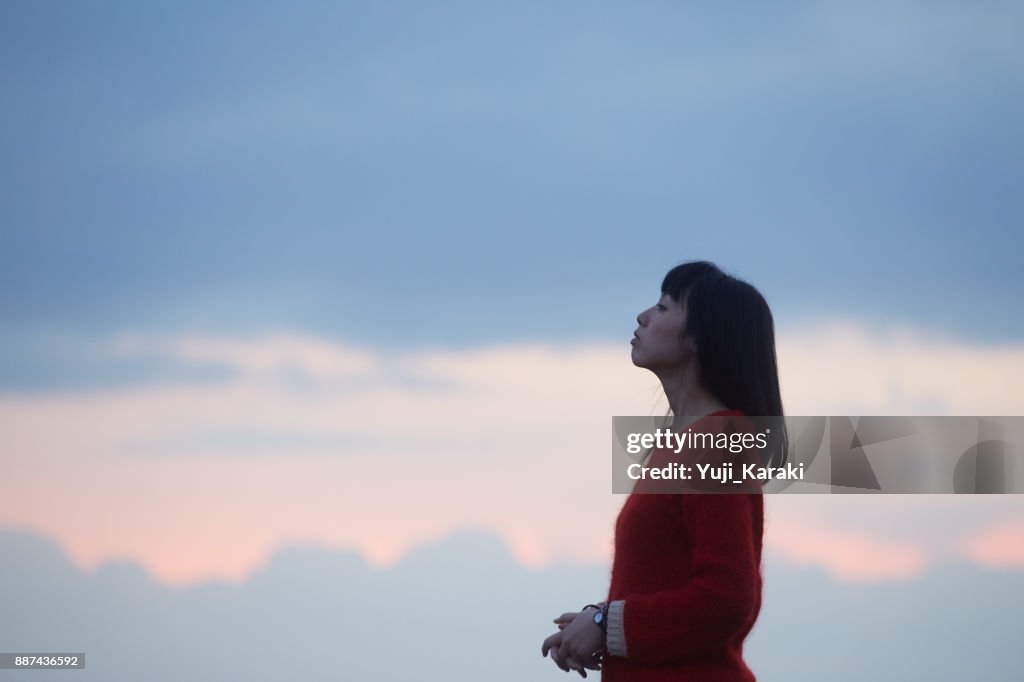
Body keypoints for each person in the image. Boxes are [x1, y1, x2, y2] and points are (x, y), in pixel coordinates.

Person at [541, 260, 788, 681]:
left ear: (699, 337)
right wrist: (598, 622)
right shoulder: (677, 445)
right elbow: (667, 585)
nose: (643, 316)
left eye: (663, 307)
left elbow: (728, 599)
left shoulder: (716, 443)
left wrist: (606, 627)